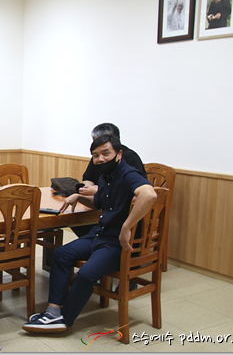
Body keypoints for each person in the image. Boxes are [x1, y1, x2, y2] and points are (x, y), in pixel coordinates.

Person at [22, 135, 157, 334]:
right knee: (60, 255)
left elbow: (149, 194)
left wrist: (126, 227)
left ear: (119, 154)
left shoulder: (128, 173)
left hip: (117, 244)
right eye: (95, 155)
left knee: (85, 274)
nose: (100, 159)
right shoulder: (105, 176)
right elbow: (99, 203)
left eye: (105, 153)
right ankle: (53, 312)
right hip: (100, 236)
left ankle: (65, 319)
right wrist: (77, 196)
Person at [71, 122, 146, 238]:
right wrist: (86, 188)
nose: (100, 157)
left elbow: (135, 192)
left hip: (119, 211)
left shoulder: (129, 160)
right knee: (74, 220)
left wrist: (98, 190)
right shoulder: (98, 157)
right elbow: (88, 178)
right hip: (100, 202)